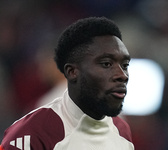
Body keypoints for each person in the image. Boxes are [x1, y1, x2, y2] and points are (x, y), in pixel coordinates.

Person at [0, 17, 134, 150]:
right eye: (106, 64)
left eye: (124, 65)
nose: (122, 75)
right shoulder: (34, 128)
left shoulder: (120, 127)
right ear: (71, 71)